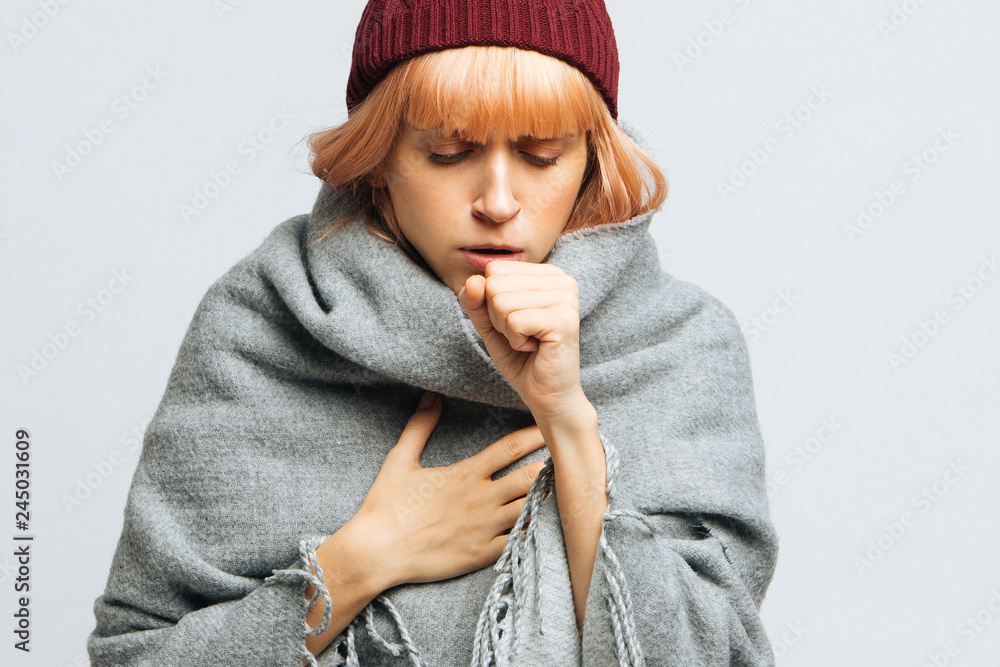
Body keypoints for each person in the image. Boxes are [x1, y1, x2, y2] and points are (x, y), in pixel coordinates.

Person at [87, 1, 779, 665]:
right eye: (448, 151)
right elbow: (138, 656)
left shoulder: (682, 345)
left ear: (592, 163)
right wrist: (365, 556)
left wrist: (570, 427)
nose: (499, 203)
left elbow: (717, 653)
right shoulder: (262, 322)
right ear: (380, 159)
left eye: (542, 155)